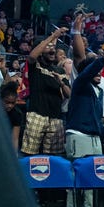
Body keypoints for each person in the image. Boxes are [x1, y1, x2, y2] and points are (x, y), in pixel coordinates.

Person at [20, 28, 71, 156]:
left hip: (56, 118)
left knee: (54, 157)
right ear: (41, 50)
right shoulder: (35, 65)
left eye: (53, 47)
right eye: (48, 47)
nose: (52, 50)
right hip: (37, 114)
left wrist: (61, 83)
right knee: (29, 153)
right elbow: (32, 56)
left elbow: (69, 94)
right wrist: (53, 36)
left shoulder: (60, 71)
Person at [0, 81, 23, 152]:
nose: (10, 106)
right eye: (7, 102)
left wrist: (14, 155)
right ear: (1, 99)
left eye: (12, 103)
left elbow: (14, 138)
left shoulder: (17, 114)